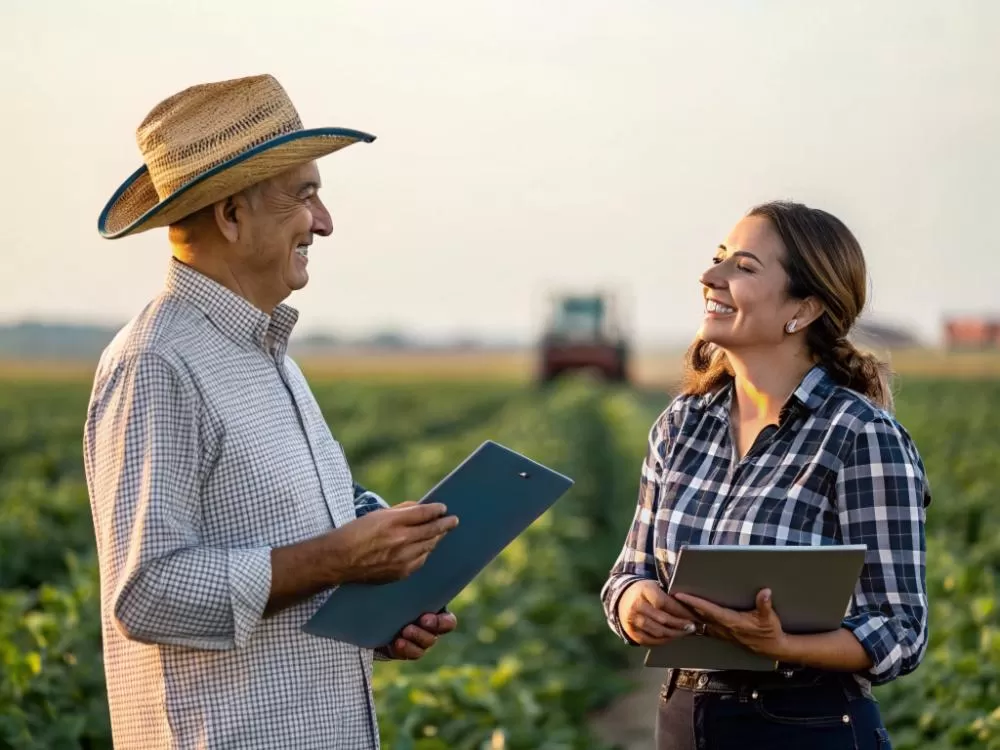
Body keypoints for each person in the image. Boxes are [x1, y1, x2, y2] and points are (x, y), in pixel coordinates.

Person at [83, 74, 460, 750]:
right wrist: (337, 559)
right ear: (231, 215)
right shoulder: (157, 363)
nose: (324, 222)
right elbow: (148, 593)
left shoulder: (270, 357)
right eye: (305, 195)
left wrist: (377, 600)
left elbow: (288, 555)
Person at [600, 201, 931, 749]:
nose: (711, 277)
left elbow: (900, 630)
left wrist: (781, 644)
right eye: (718, 259)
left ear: (803, 308)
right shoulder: (681, 425)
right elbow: (625, 574)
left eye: (744, 267)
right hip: (683, 719)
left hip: (804, 724)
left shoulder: (859, 435)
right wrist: (634, 606)